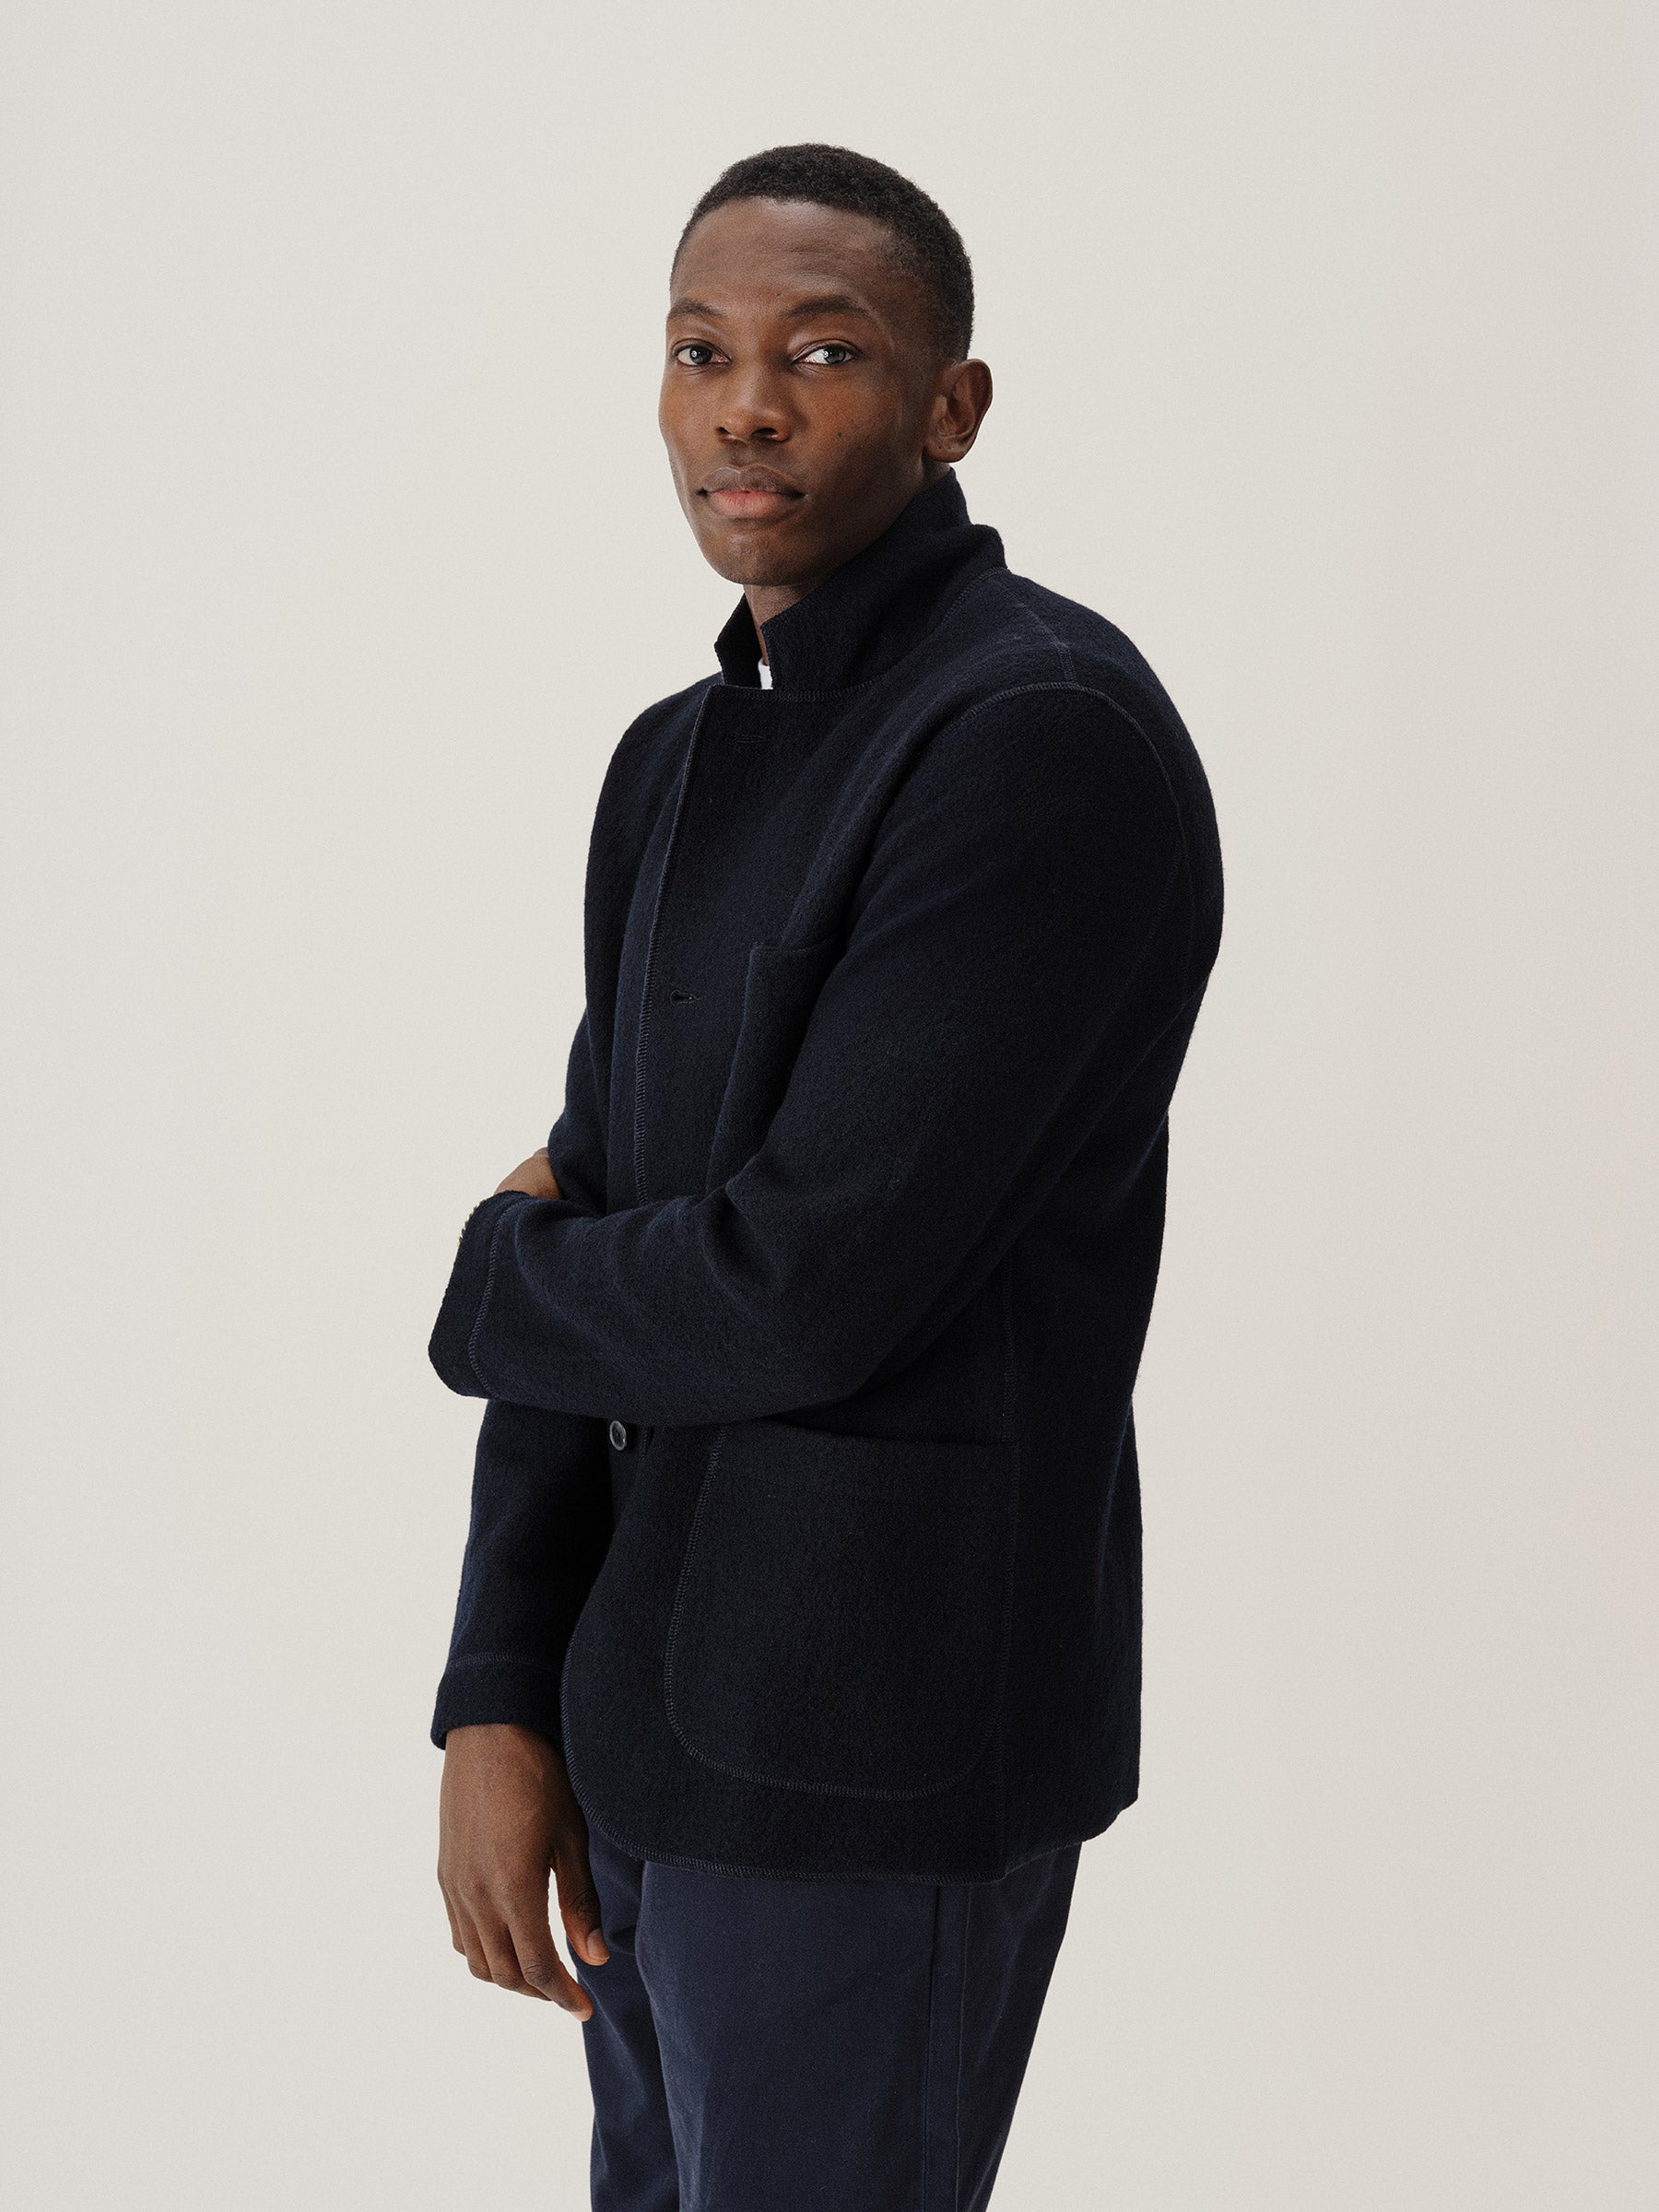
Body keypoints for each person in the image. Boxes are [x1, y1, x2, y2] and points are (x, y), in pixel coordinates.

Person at [428, 143, 1223, 2212]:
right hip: (641, 1733)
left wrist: (495, 1281)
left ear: (952, 406)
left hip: (873, 1746)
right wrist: (499, 1693)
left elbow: (807, 1285)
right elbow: (606, 1191)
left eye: (824, 352)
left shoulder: (1037, 736)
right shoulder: (677, 758)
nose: (747, 407)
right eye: (701, 352)